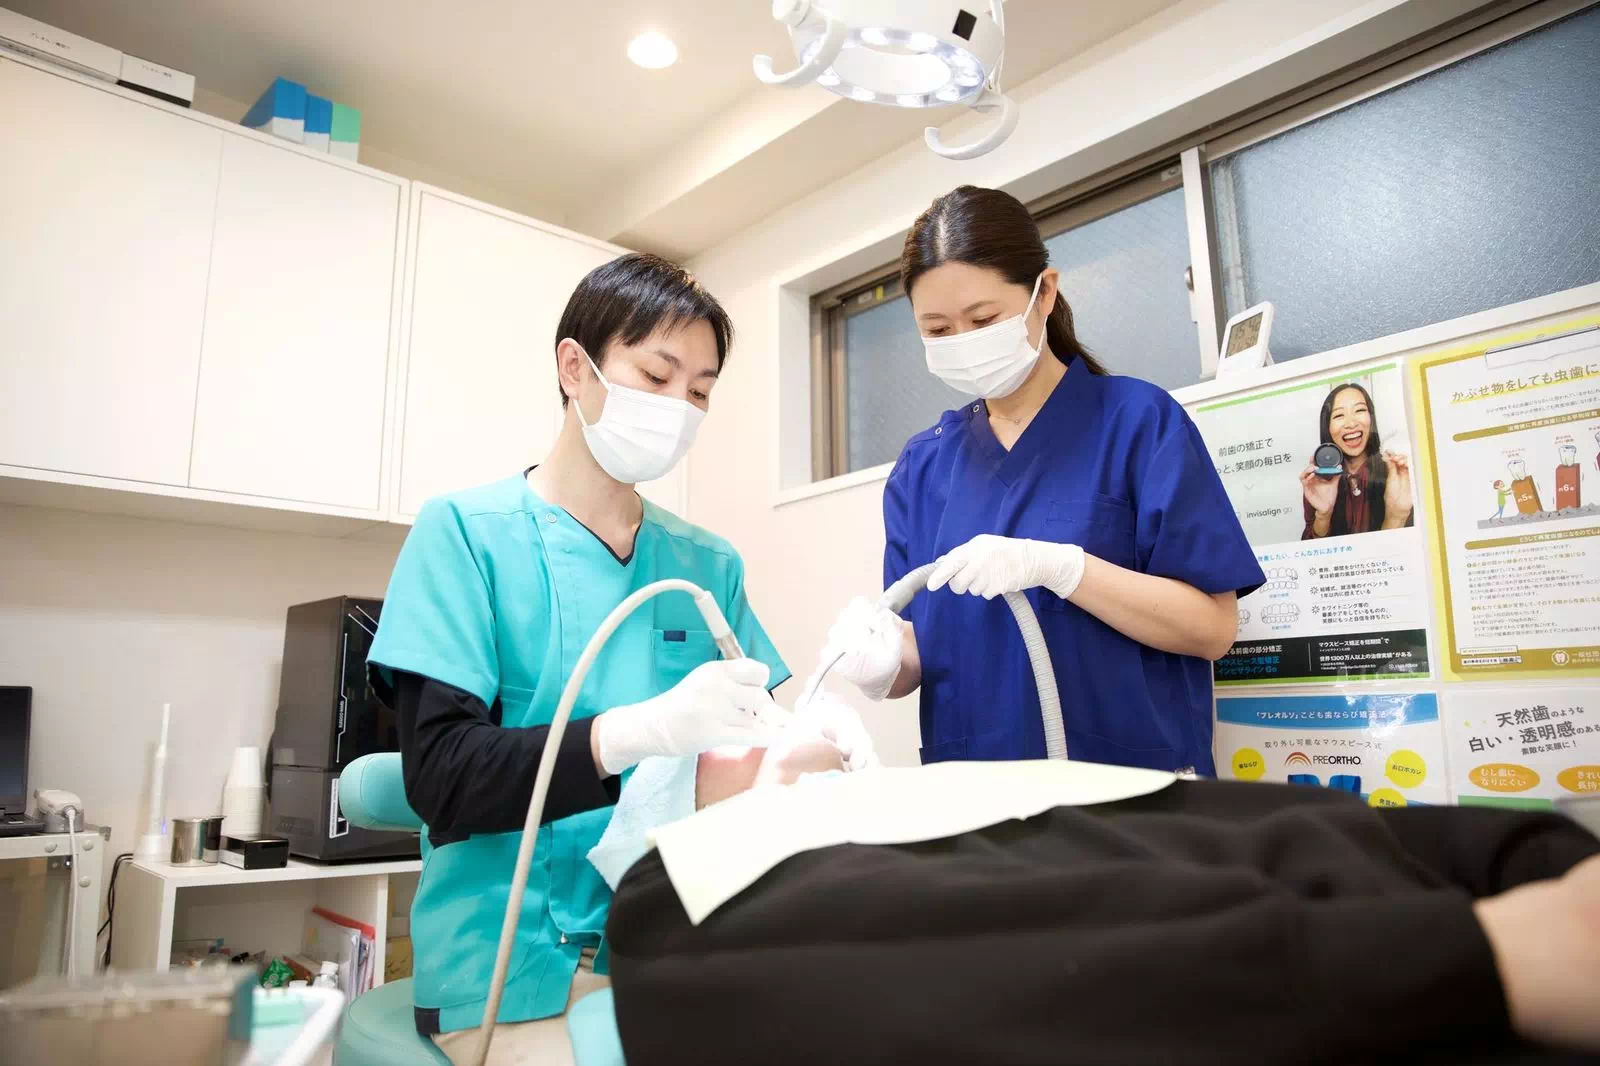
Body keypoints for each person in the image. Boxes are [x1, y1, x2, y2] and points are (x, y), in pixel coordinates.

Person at [366, 253, 875, 1066]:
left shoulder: (705, 565)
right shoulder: (464, 535)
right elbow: (443, 776)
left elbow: (762, 751)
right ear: (577, 368)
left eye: (700, 391)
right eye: (657, 375)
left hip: (680, 940)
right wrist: (638, 732)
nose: (679, 409)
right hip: (511, 965)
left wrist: (822, 733)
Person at [605, 777, 1600, 1066]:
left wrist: (1534, 856)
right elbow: (969, 998)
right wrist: (1482, 953)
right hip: (1456, 978)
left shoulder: (979, 799)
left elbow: (1280, 822)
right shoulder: (679, 894)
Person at [817, 185, 1263, 775]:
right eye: (938, 330)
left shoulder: (1139, 424)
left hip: (1131, 788)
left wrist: (1065, 570)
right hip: (975, 796)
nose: (964, 342)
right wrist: (880, 664)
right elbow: (924, 651)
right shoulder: (922, 468)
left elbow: (1212, 629)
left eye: (983, 319)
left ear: (1044, 292)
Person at [1300, 382, 1414, 539]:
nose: (1351, 423)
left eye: (1359, 410)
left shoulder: (1397, 476)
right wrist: (1323, 516)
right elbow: (1308, 550)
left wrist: (1396, 517)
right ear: (1327, 427)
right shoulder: (1318, 481)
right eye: (1339, 415)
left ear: (1371, 418)